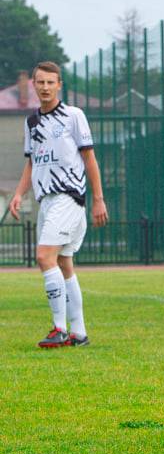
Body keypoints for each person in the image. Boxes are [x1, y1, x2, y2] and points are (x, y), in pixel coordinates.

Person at [8, 61, 109, 348]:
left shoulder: (74, 116)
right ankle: (79, 333)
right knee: (63, 262)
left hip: (68, 197)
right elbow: (32, 162)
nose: (45, 87)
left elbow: (90, 159)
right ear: (34, 85)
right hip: (47, 202)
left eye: (50, 82)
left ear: (59, 85)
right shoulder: (31, 122)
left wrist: (98, 199)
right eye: (40, 82)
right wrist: (19, 194)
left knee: (44, 257)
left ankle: (59, 328)